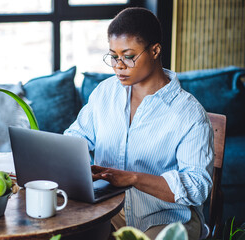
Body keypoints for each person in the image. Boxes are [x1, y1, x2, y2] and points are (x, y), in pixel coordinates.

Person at [64, 7, 214, 240]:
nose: (118, 65)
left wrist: (133, 178)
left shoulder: (190, 114)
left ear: (155, 50)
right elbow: (76, 137)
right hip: (110, 212)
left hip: (168, 217)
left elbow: (197, 187)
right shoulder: (105, 93)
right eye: (113, 56)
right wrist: (74, 161)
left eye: (128, 56)